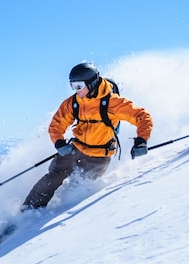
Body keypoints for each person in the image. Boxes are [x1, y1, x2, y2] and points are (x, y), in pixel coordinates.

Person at [22, 62, 153, 210]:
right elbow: (56, 125)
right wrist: (59, 143)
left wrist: (141, 141)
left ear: (91, 84)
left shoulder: (112, 102)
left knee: (78, 188)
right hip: (75, 149)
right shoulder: (73, 103)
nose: (75, 90)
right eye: (72, 86)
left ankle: (59, 215)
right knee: (53, 176)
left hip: (98, 157)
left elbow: (142, 116)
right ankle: (29, 210)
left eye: (78, 86)